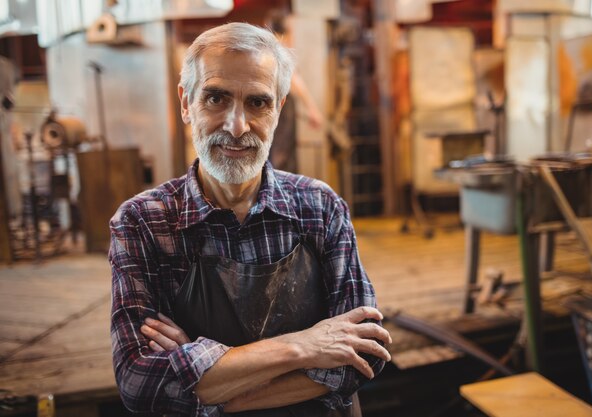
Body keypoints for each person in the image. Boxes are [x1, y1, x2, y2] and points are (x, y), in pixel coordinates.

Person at [109, 22, 391, 417]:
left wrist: (209, 384)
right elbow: (139, 383)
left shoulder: (321, 207)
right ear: (186, 102)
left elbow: (365, 353)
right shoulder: (144, 222)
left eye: (257, 102)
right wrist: (303, 346)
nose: (237, 126)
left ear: (279, 109)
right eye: (216, 98)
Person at [268, 12, 324, 172]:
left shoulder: (266, 48)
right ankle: (283, 193)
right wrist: (312, 109)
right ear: (289, 30)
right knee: (283, 153)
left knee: (275, 152)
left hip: (271, 103)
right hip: (282, 104)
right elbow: (294, 78)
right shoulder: (279, 47)